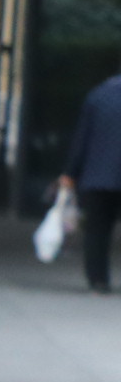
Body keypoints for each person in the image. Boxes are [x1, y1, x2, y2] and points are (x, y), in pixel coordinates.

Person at [57, 66, 121, 292]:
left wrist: (70, 173)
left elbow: (82, 140)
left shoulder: (98, 96)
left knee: (97, 230)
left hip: (98, 177)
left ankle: (98, 281)